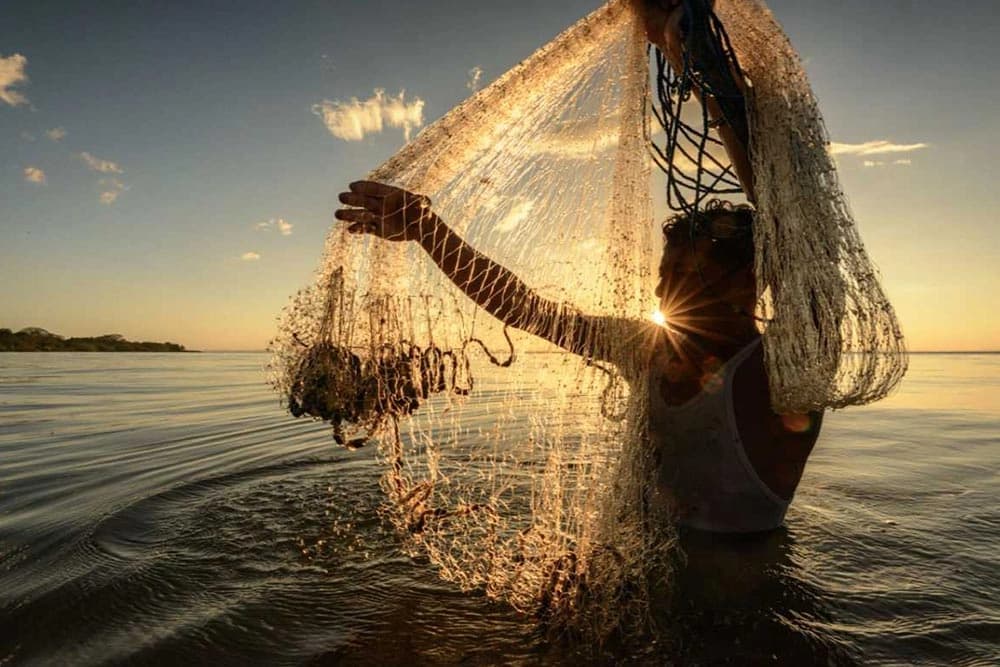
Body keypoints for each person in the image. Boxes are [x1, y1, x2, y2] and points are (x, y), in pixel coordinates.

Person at [334, 0, 822, 534]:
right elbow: (525, 309)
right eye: (665, 275)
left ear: (752, 279)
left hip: (739, 603)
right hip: (637, 587)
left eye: (689, 274)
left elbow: (790, 222)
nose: (667, 290)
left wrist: (695, 56)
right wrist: (428, 230)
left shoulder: (781, 376)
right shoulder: (647, 352)